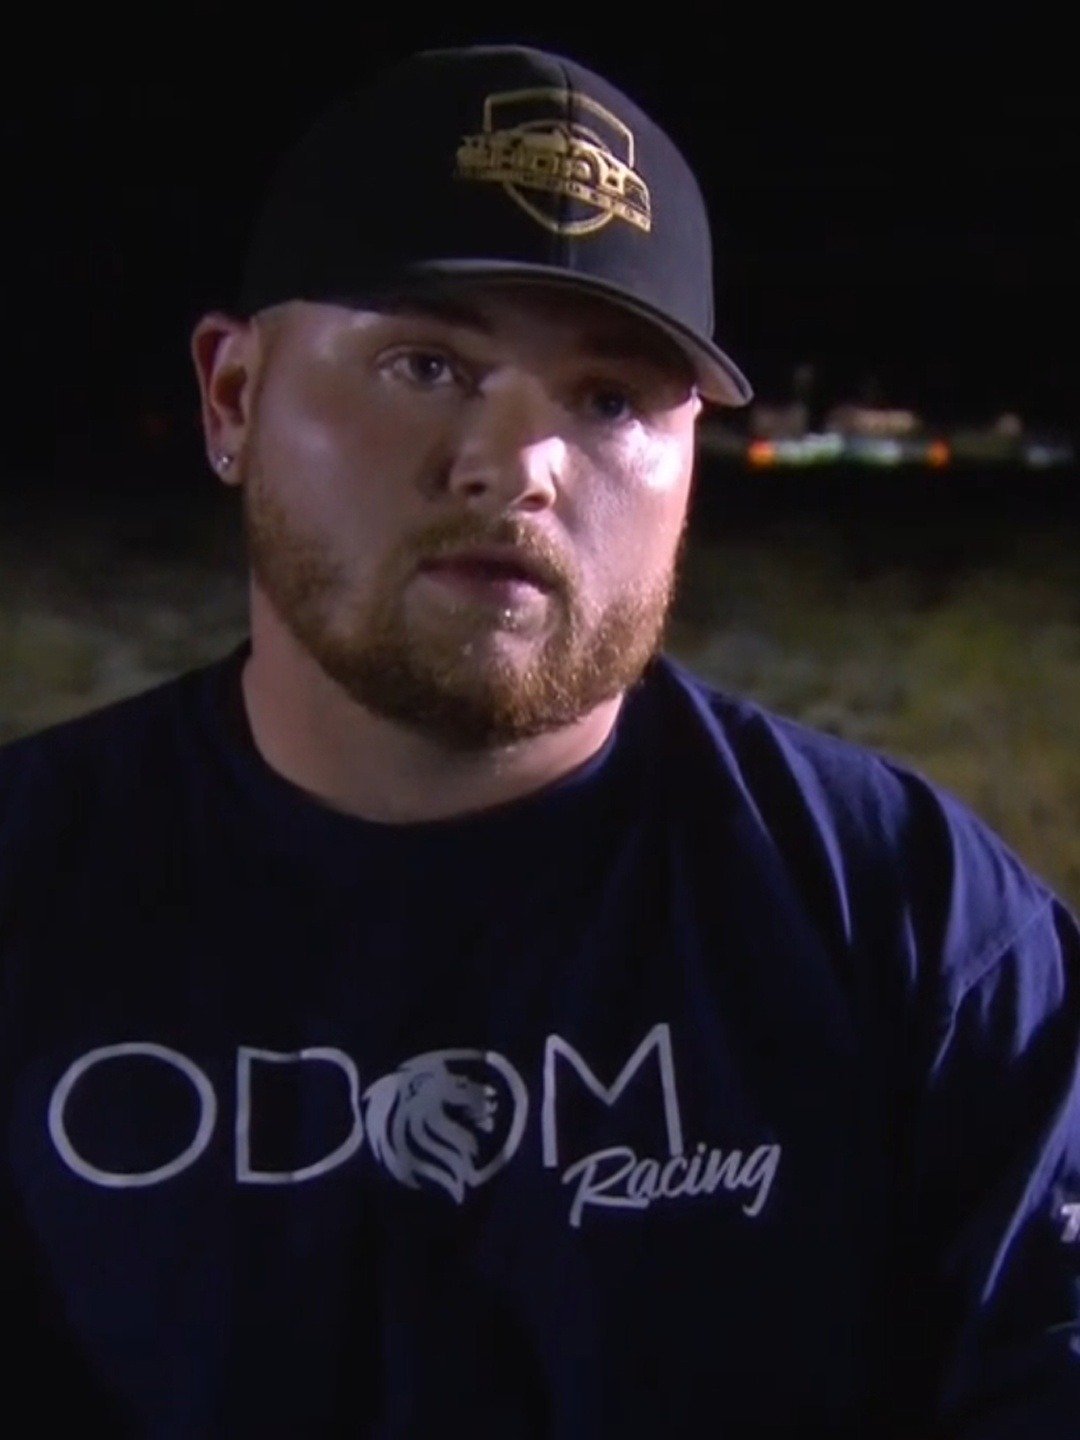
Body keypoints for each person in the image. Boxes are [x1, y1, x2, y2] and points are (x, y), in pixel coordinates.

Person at [1, 43, 1077, 1439]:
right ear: (235, 397)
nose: (519, 466)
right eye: (427, 363)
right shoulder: (33, 884)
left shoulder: (917, 928)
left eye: (611, 399)